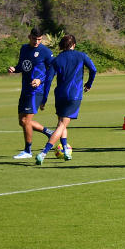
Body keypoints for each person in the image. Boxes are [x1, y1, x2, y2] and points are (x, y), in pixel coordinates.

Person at [35, 35, 97, 165]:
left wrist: (44, 99)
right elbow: (93, 69)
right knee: (62, 124)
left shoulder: (56, 60)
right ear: (74, 44)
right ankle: (43, 153)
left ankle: (66, 151)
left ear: (62, 45)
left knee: (61, 123)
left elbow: (48, 80)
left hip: (60, 95)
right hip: (74, 95)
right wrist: (89, 84)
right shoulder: (81, 55)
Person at [8, 28, 56, 159]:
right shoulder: (24, 49)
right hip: (25, 89)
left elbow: (54, 70)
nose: (37, 42)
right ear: (29, 37)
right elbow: (22, 66)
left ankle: (27, 151)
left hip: (37, 91)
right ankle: (50, 133)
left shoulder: (46, 52)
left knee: (26, 121)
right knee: (22, 122)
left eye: (39, 39)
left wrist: (40, 80)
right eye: (34, 39)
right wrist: (14, 69)